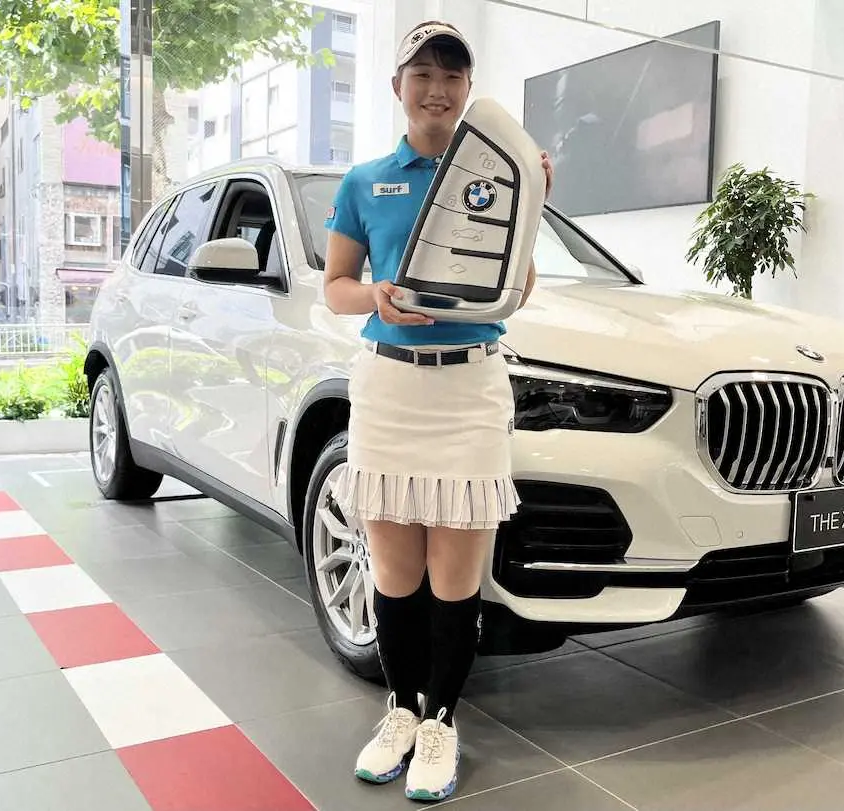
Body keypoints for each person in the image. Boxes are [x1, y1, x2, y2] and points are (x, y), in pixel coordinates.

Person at [322, 19, 554, 803]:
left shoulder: (496, 176)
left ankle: (442, 721)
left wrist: (533, 204)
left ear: (468, 88)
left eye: (452, 75)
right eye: (422, 73)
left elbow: (514, 292)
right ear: (398, 86)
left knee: (455, 576)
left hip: (469, 390)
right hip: (389, 388)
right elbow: (336, 288)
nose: (437, 89)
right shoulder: (365, 182)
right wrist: (375, 295)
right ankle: (400, 709)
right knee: (395, 571)